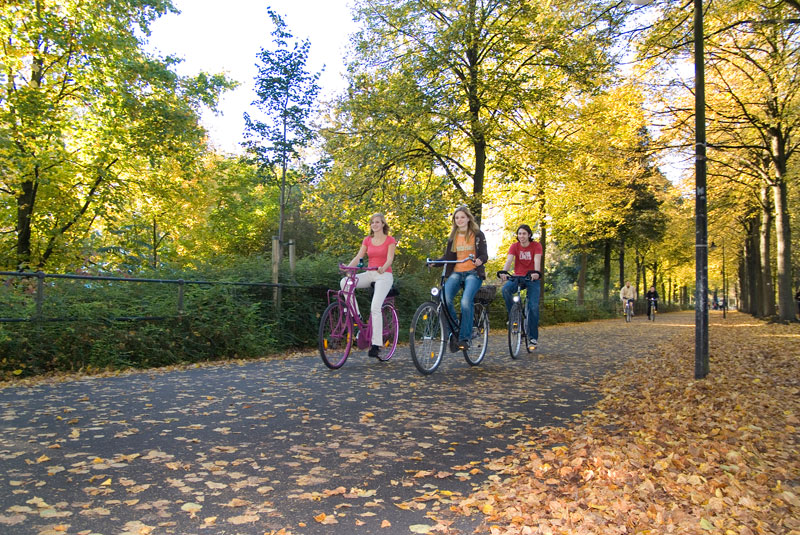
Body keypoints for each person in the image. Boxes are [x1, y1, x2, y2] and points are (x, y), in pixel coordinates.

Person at [431, 205, 488, 350]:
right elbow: (448, 257)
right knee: (444, 298)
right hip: (456, 272)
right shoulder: (453, 237)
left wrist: (480, 260)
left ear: (468, 218)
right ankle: (455, 330)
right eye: (457, 218)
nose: (459, 220)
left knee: (465, 301)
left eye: (462, 217)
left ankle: (464, 338)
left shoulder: (477, 234)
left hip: (473, 273)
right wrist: (435, 262)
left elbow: (484, 254)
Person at [342, 213, 396, 359]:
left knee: (375, 307)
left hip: (384, 275)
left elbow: (390, 258)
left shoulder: (390, 240)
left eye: (377, 222)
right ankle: (356, 314)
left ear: (383, 224)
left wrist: (383, 267)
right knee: (344, 282)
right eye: (372, 222)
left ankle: (376, 345)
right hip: (369, 273)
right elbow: (359, 256)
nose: (374, 224)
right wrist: (348, 268)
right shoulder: (367, 240)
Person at [498, 224, 542, 350]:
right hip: (518, 277)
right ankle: (514, 317)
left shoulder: (536, 246)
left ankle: (532, 338)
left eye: (524, 233)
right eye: (520, 233)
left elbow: (537, 261)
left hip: (532, 278)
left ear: (529, 235)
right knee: (506, 289)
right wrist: (504, 273)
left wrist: (536, 273)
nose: (521, 236)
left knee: (533, 307)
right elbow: (509, 261)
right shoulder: (514, 246)